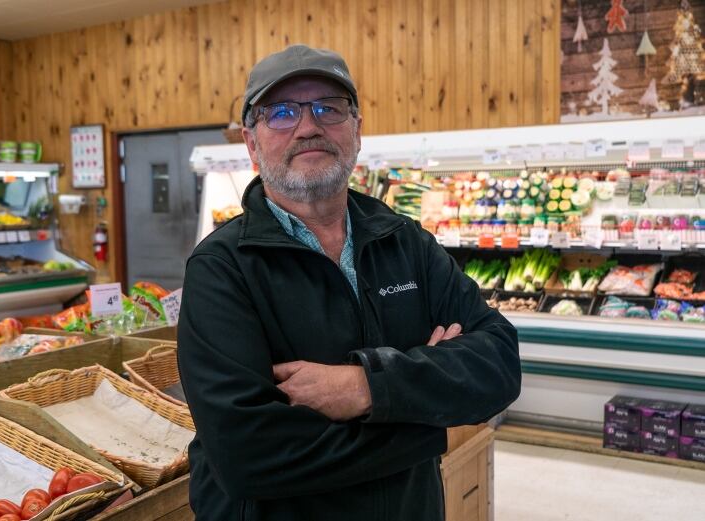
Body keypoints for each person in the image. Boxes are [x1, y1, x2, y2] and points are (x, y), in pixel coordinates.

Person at [177, 44, 521, 521]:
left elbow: (500, 364)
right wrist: (427, 418)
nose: (308, 126)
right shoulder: (221, 268)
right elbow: (247, 454)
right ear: (252, 145)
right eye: (280, 113)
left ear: (357, 131)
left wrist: (366, 387)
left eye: (328, 108)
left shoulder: (407, 243)